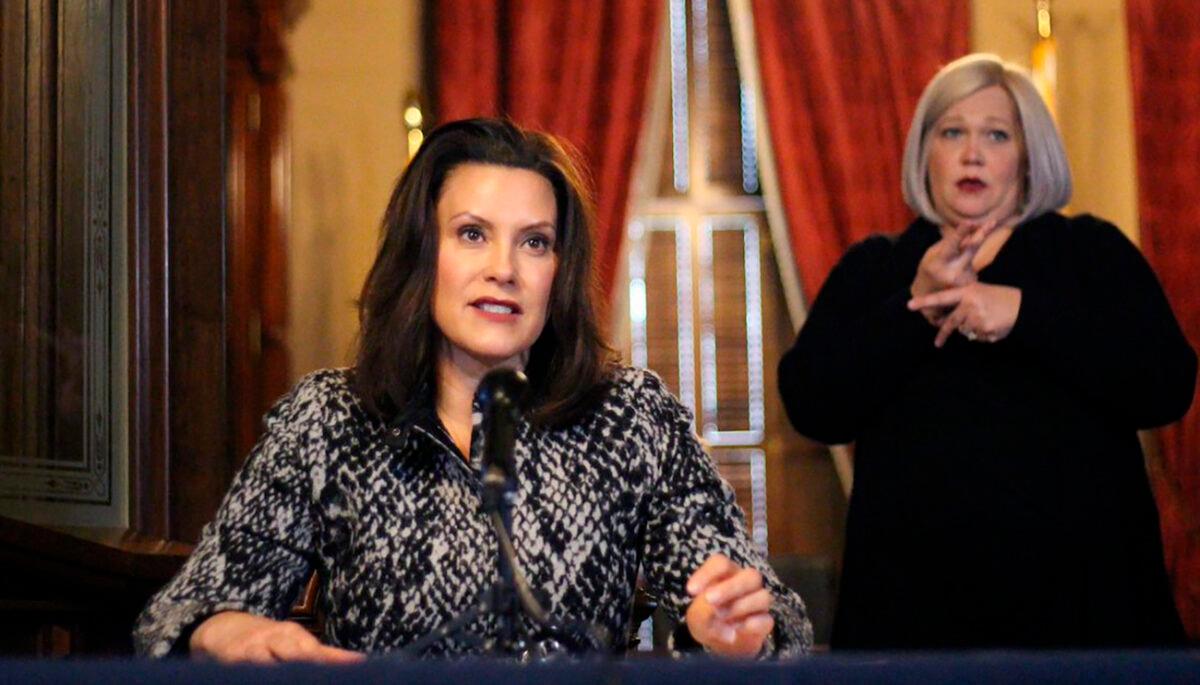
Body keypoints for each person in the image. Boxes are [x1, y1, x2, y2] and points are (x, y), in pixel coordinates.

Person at [135, 118, 812, 662]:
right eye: (471, 234)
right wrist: (227, 631)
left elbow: (777, 620)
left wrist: (730, 631)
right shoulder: (327, 419)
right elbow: (179, 612)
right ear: (422, 250)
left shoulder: (632, 418)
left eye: (535, 243)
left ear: (559, 270)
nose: (503, 269)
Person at [778, 54, 1196, 649]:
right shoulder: (877, 267)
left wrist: (1026, 314)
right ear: (926, 152)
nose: (972, 153)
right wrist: (914, 304)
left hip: (1087, 626)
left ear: (1028, 158)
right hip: (912, 631)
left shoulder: (1091, 254)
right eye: (952, 132)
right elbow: (813, 404)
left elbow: (1166, 383)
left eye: (996, 134)